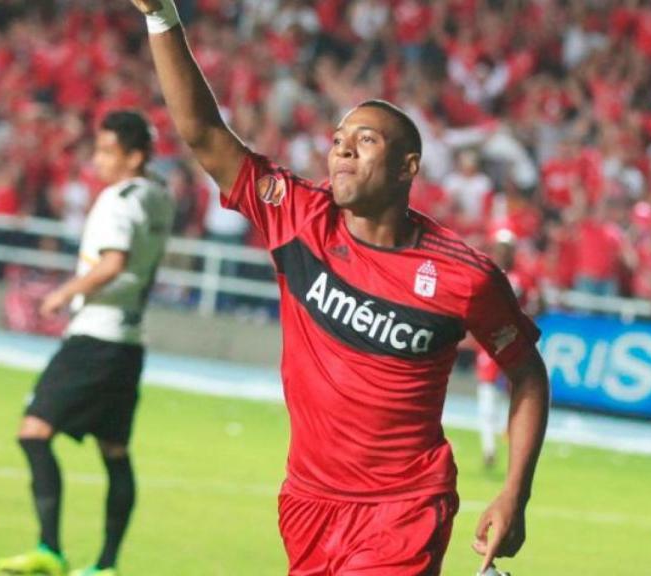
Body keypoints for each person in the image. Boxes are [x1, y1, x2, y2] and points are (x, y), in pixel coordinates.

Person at [132, 1, 550, 574]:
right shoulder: (299, 217)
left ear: (408, 167)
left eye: (366, 139)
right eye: (337, 138)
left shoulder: (464, 275)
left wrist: (515, 492)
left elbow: (527, 372)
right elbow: (203, 132)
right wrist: (161, 17)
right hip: (308, 501)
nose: (343, 148)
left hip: (402, 507)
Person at [0, 110, 174, 576]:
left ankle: (49, 550)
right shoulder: (158, 196)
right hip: (129, 343)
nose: (98, 160)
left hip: (95, 337)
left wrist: (62, 293)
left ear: (134, 156)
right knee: (114, 450)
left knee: (33, 433)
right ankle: (106, 564)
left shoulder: (118, 200)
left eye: (107, 151)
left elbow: (112, 263)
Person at [476, 229, 528, 470]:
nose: (501, 253)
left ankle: (511, 441)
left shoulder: (517, 278)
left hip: (510, 342)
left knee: (514, 395)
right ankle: (489, 447)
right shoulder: (488, 272)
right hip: (489, 341)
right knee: (486, 395)